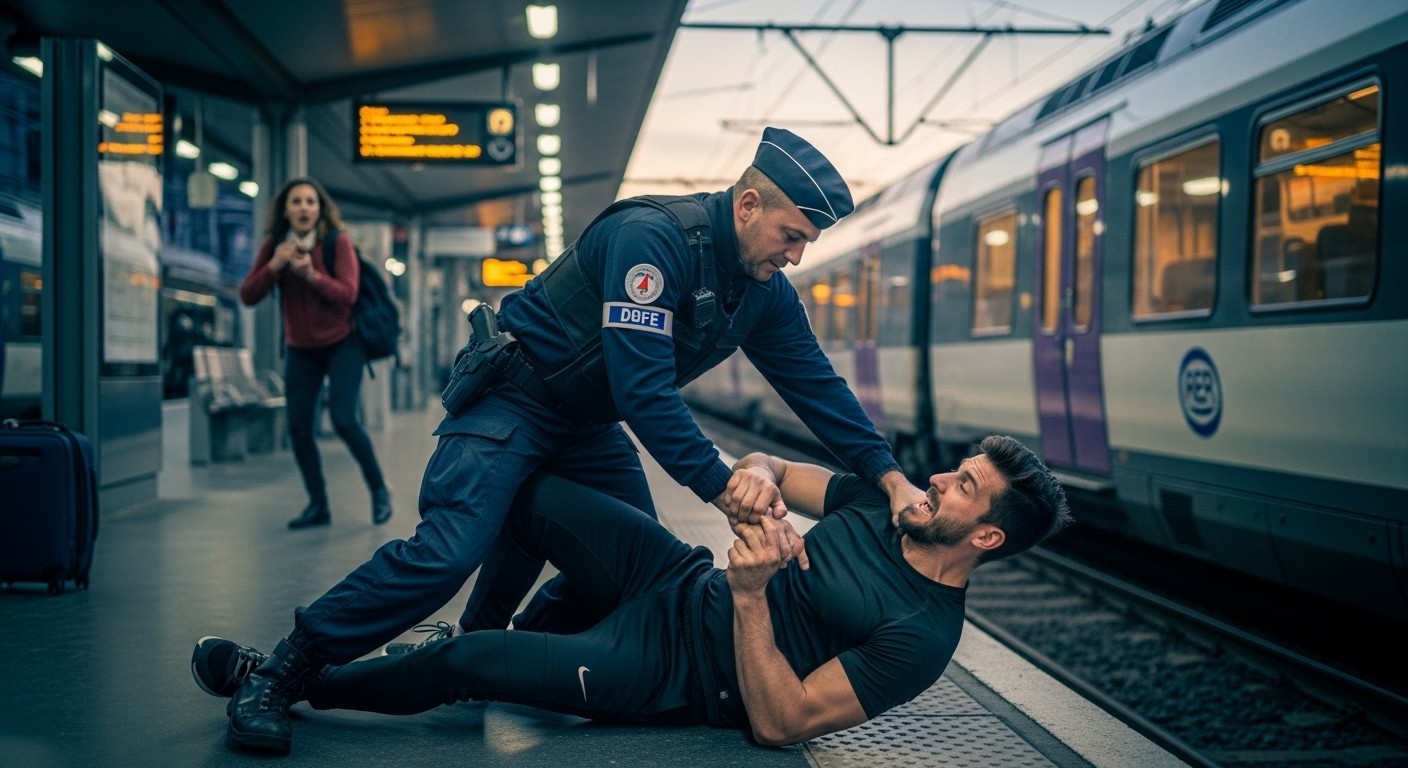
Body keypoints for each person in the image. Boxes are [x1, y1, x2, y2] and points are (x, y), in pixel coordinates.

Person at [213, 126, 928, 754]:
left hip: (584, 426)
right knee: (448, 551)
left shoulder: (760, 291)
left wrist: (888, 476)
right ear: (748, 206)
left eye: (807, 242)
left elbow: (815, 384)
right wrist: (721, 486)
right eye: (792, 235)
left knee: (632, 581)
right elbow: (643, 389)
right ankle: (283, 670)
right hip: (516, 401)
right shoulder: (654, 239)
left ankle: (491, 648)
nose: (797, 255)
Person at [192, 435, 1073, 750]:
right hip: (675, 578)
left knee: (471, 664)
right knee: (529, 500)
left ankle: (294, 679)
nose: (934, 482)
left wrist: (756, 594)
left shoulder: (922, 634)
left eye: (960, 485)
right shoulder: (888, 505)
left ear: (986, 537)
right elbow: (765, 465)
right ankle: (491, 634)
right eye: (953, 470)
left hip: (679, 672)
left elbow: (780, 723)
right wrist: (761, 492)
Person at [239, 177, 392, 529]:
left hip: (343, 343)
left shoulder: (337, 243)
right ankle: (318, 505)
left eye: (310, 201)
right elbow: (248, 294)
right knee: (299, 428)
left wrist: (311, 276)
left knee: (344, 419)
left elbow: (348, 294)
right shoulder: (275, 247)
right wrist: (274, 266)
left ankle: (379, 489)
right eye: (296, 202)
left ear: (319, 209)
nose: (304, 208)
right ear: (286, 210)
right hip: (300, 349)